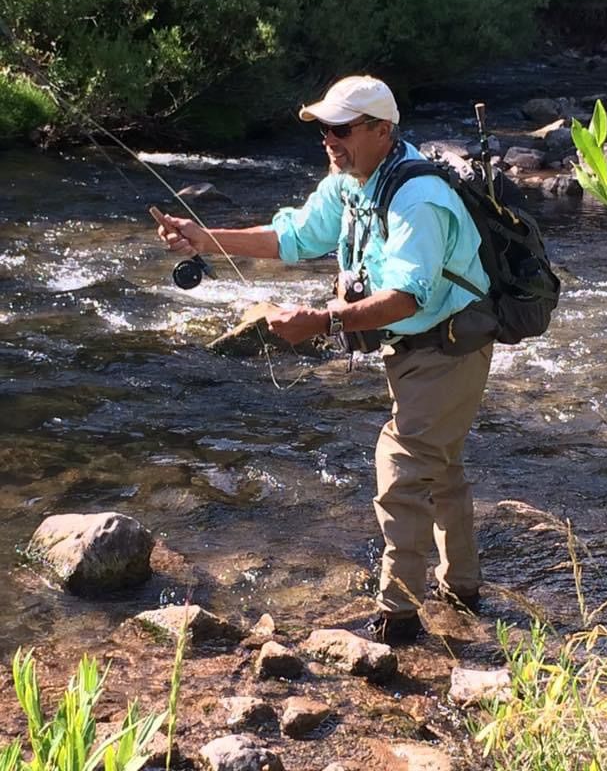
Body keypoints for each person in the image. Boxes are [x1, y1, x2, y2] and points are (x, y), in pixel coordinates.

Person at [156, 75, 493, 645]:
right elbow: (291, 238)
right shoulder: (349, 183)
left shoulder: (418, 198)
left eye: (341, 129)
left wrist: (323, 320)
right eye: (324, 131)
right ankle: (462, 589)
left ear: (382, 131)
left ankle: (399, 616)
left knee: (402, 469)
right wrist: (205, 237)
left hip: (447, 346)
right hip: (413, 346)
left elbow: (407, 297)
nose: (329, 141)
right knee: (438, 467)